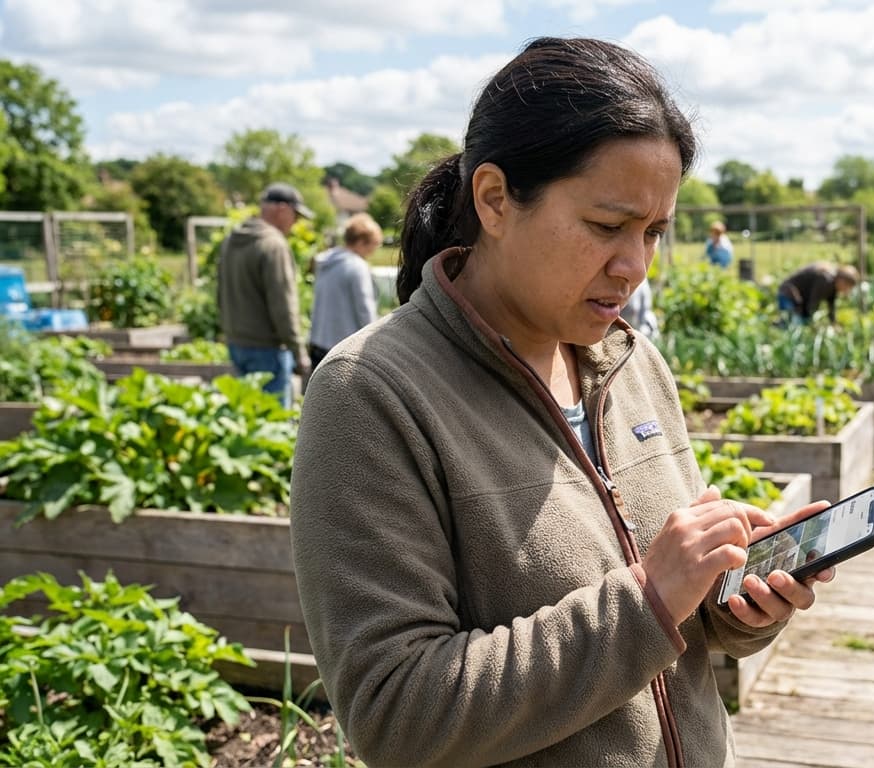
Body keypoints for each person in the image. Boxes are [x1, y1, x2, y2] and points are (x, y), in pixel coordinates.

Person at [288, 38, 834, 768]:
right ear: (494, 200)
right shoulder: (372, 393)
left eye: (654, 232)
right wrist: (647, 599)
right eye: (607, 227)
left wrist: (732, 600)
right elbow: (394, 715)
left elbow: (671, 627)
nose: (634, 266)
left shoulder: (634, 363)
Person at [217, 182, 314, 407]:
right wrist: (299, 352)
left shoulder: (232, 239)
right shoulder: (273, 245)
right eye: (295, 215)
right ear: (282, 209)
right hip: (268, 349)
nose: (296, 222)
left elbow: (220, 293)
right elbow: (283, 305)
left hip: (236, 343)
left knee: (248, 420)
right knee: (273, 426)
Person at [308, 213, 381, 373]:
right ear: (362, 242)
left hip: (318, 341)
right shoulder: (357, 266)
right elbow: (365, 311)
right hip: (342, 349)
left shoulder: (325, 261)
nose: (372, 252)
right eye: (373, 246)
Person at [777, 263, 859, 325]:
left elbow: (831, 307)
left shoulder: (833, 286)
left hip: (798, 300)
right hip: (788, 294)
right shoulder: (826, 280)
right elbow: (813, 301)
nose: (847, 291)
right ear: (842, 281)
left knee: (798, 322)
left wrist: (833, 323)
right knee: (793, 323)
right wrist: (812, 322)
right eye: (848, 287)